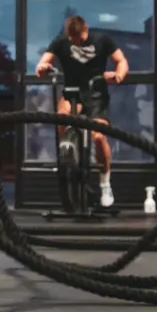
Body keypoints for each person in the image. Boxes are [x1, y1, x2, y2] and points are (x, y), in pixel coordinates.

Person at [34, 15, 129, 207]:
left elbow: (121, 61)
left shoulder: (102, 40)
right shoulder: (61, 40)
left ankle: (105, 183)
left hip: (95, 94)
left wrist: (118, 75)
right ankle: (67, 154)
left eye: (79, 39)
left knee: (99, 137)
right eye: (72, 40)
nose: (75, 42)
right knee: (62, 116)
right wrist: (43, 67)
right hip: (72, 92)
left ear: (85, 31)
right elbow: (42, 65)